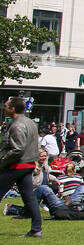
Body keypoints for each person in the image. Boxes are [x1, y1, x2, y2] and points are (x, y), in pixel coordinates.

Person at [0, 97, 42, 237]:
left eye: (6, 106)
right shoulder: (30, 123)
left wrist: (3, 161)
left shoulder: (17, 125)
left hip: (16, 165)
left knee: (28, 197)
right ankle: (36, 229)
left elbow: (17, 149)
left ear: (13, 109)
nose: (3, 108)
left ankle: (36, 229)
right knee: (29, 198)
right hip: (28, 165)